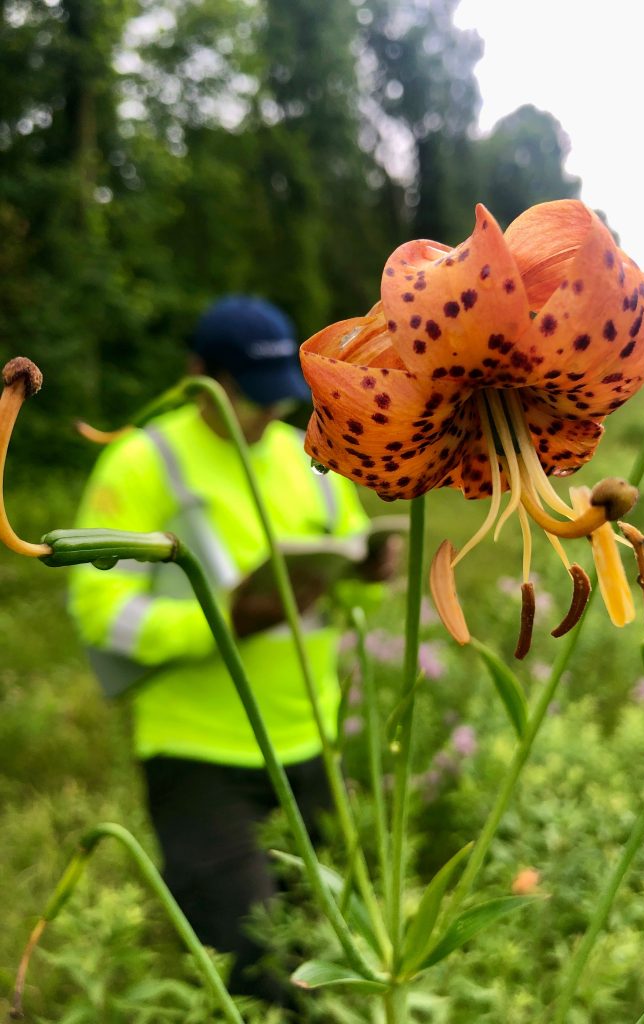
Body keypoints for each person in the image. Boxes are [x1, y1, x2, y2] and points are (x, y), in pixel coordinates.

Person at [68, 296, 393, 1006]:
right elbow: (102, 616)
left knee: (314, 949)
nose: (269, 415)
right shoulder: (141, 464)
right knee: (250, 963)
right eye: (252, 397)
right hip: (200, 758)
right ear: (198, 376)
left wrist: (370, 577)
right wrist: (226, 622)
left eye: (282, 399)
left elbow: (346, 596)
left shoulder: (309, 458)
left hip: (311, 744)